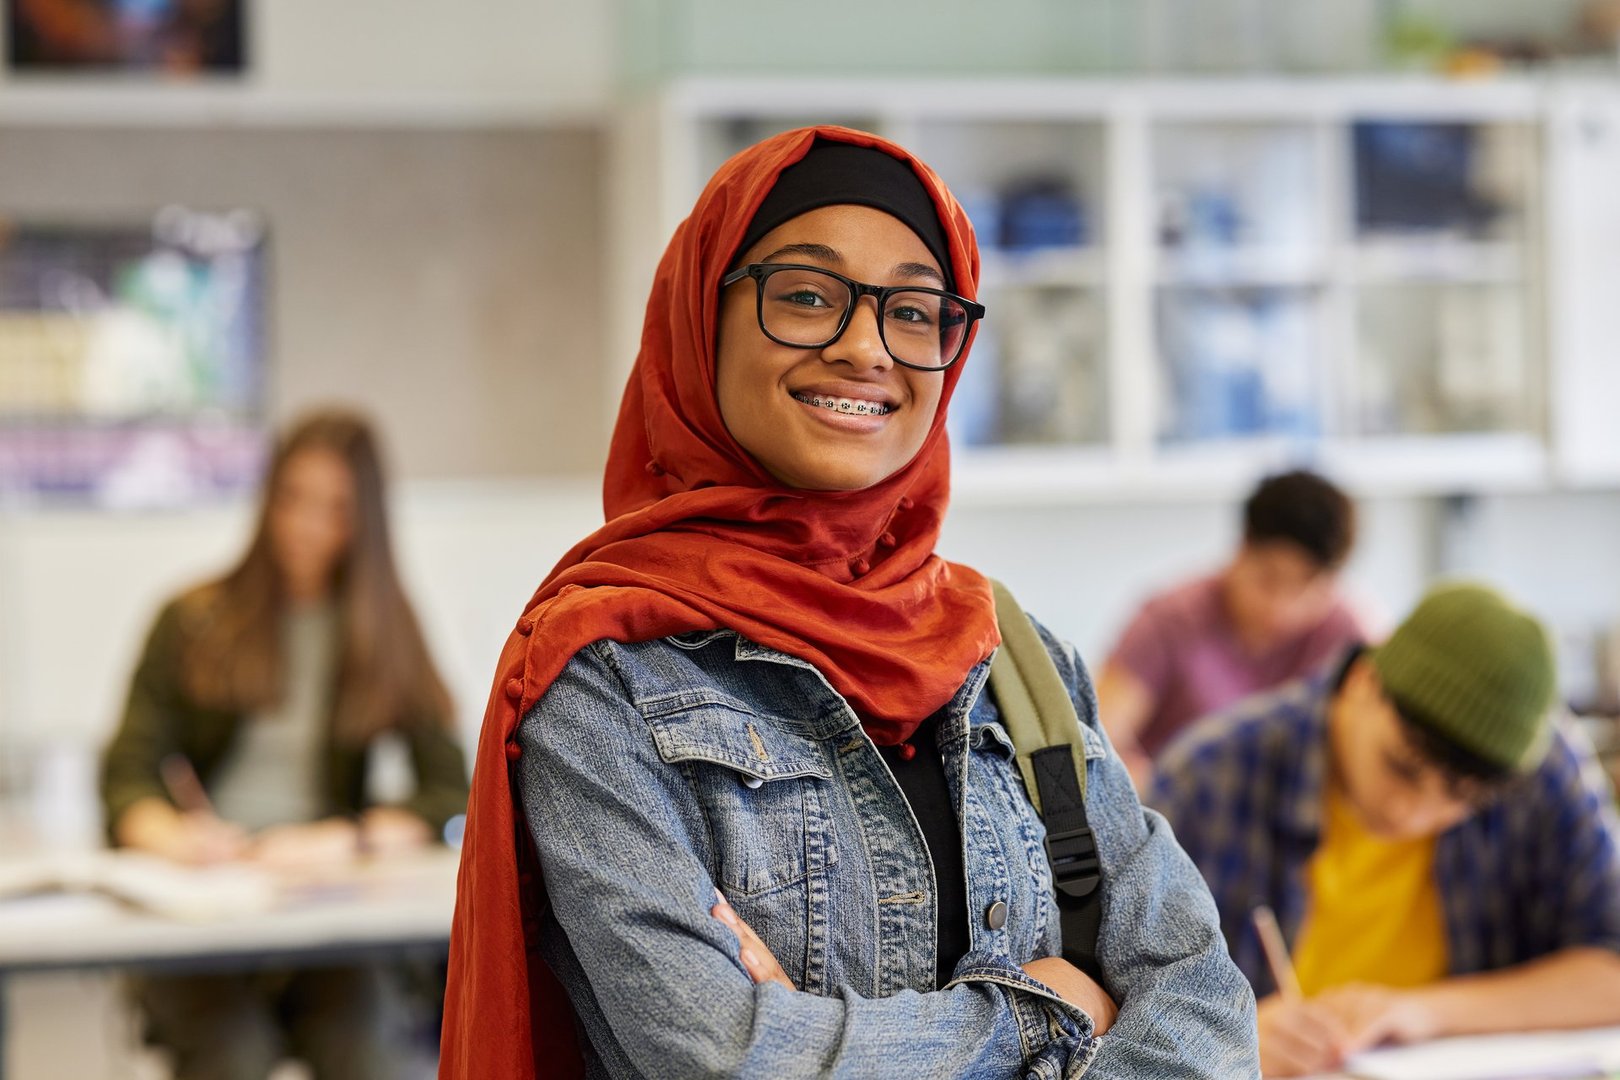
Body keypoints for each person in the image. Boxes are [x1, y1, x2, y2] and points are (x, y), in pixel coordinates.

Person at [440, 126, 1258, 1079]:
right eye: (806, 296)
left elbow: (1205, 1004)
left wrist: (834, 1045)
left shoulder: (1013, 657)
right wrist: (1043, 1016)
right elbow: (723, 1058)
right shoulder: (601, 674)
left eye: (914, 311)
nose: (867, 348)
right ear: (702, 322)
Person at [100, 409, 469, 1080]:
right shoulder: (192, 619)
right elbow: (127, 770)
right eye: (293, 498)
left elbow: (451, 793)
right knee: (232, 1054)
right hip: (207, 905)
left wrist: (346, 838)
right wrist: (172, 839)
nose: (306, 525)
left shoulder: (384, 629)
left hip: (323, 911)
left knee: (366, 1048)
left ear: (365, 521)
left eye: (334, 507)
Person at [1151, 582, 1620, 1078]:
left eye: (1463, 798)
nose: (1412, 814)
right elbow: (1103, 1004)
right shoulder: (1211, 778)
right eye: (1402, 767)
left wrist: (1424, 1012)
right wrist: (1221, 1038)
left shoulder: (1539, 769)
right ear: (1363, 681)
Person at [1097, 468, 1363, 789]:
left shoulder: (1348, 635)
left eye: (1306, 590)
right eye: (1268, 579)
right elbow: (1099, 740)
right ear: (1242, 548)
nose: (1281, 609)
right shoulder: (1170, 620)